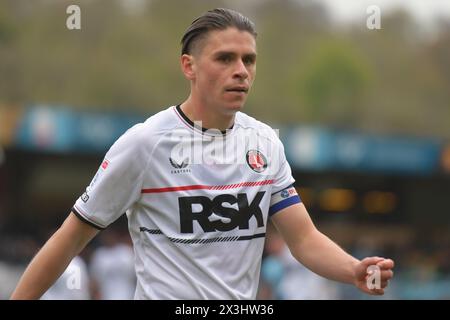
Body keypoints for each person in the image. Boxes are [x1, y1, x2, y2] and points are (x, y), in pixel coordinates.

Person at [11, 8, 394, 300]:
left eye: (249, 60)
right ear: (188, 66)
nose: (241, 71)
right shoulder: (145, 144)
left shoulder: (265, 143)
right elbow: (71, 237)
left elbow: (304, 239)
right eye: (225, 59)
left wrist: (353, 269)